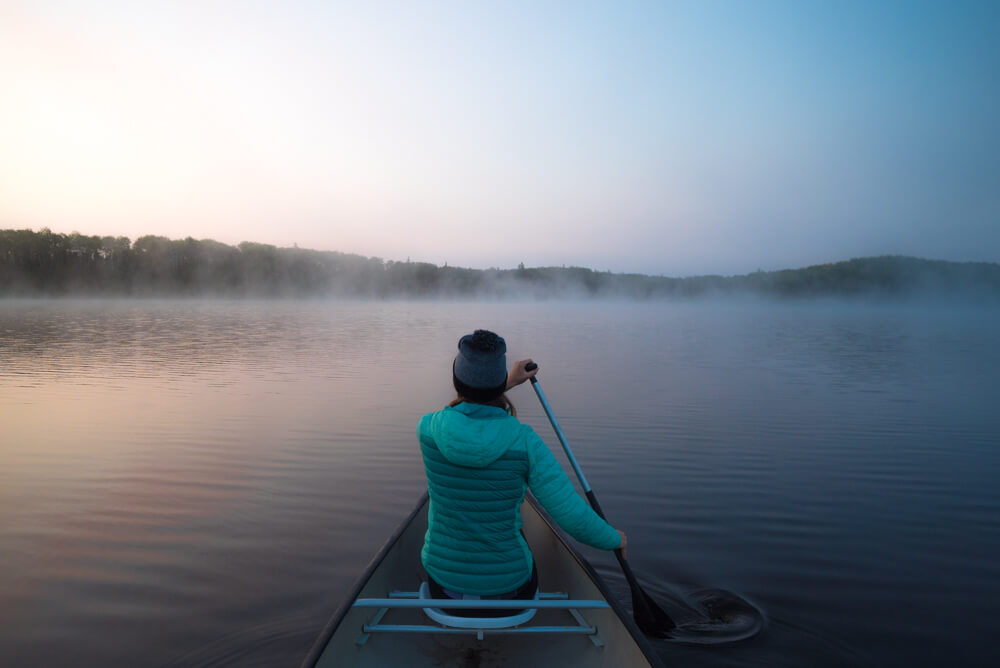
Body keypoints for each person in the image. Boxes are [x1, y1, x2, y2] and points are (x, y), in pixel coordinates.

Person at [417, 329, 626, 611]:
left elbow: (468, 415)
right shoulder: (525, 442)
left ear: (456, 378)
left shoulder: (427, 429)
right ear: (498, 383)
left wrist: (504, 382)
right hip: (510, 594)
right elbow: (572, 518)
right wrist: (615, 539)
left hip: (443, 589)